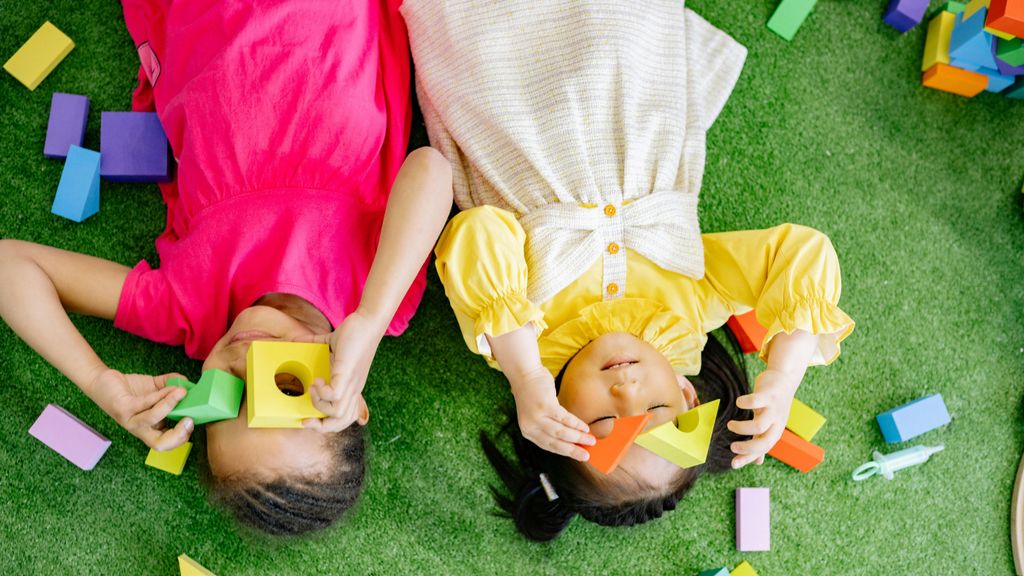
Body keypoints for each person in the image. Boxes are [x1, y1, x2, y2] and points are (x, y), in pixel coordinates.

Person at [402, 1, 855, 540]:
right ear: (689, 396)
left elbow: (476, 232)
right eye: (657, 404)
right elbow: (801, 253)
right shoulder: (688, 316)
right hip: (627, 90)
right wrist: (783, 377)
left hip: (514, 107)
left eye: (601, 422)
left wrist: (526, 375)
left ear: (555, 422)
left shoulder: (522, 339)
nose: (627, 389)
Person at [0, 0, 452, 536]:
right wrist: (371, 320)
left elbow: (12, 264)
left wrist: (100, 381)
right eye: (278, 387)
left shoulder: (186, 310)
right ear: (350, 401)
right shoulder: (376, 296)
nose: (244, 361)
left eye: (225, 398)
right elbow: (431, 169)